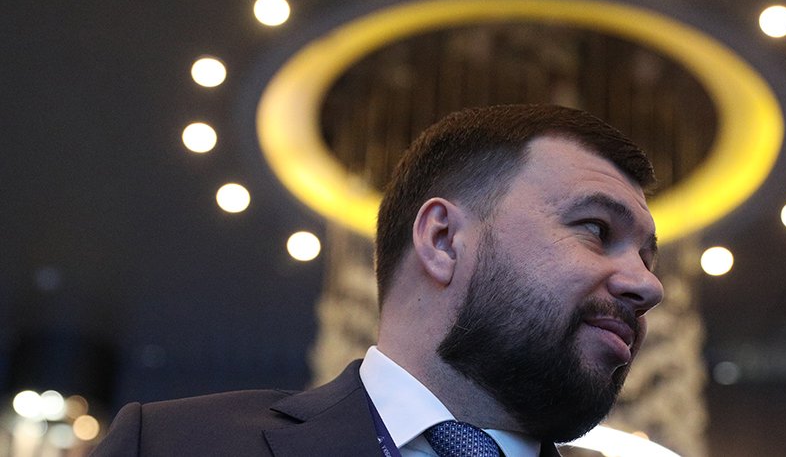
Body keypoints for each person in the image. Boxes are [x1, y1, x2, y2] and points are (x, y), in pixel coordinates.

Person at [92, 104, 664, 457]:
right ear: (442, 240)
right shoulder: (170, 444)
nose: (648, 286)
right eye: (596, 229)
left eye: (648, 257)